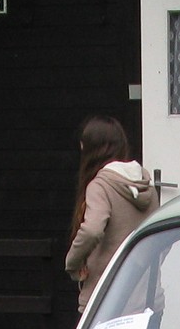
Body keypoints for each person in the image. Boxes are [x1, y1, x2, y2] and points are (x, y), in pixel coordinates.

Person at [65, 116, 157, 311]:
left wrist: (72, 263)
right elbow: (160, 240)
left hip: (107, 302)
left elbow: (92, 230)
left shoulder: (100, 186)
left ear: (91, 149)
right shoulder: (147, 184)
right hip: (149, 301)